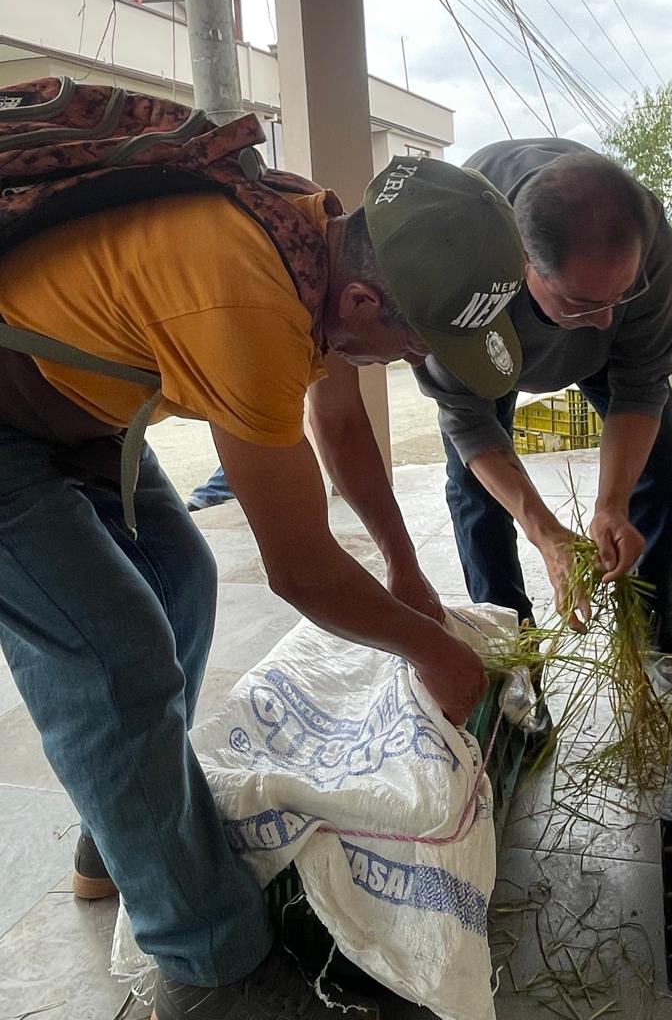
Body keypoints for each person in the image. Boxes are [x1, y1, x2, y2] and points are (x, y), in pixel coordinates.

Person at [0, 154, 525, 1020]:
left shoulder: (319, 238)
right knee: (113, 656)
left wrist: (402, 564)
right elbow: (300, 568)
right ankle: (209, 968)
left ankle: (125, 828)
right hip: (11, 411)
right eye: (415, 346)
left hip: (79, 405)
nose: (409, 359)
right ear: (366, 304)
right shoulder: (251, 302)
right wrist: (433, 652)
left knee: (182, 580)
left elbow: (340, 424)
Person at [415, 139, 672, 656]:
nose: (606, 321)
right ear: (522, 262)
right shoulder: (456, 265)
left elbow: (641, 385)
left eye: (621, 296)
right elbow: (468, 420)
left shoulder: (652, 252)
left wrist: (611, 505)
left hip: (592, 350)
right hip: (493, 340)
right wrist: (545, 533)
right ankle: (512, 649)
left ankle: (651, 634)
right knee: (477, 490)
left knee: (662, 459)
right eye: (582, 302)